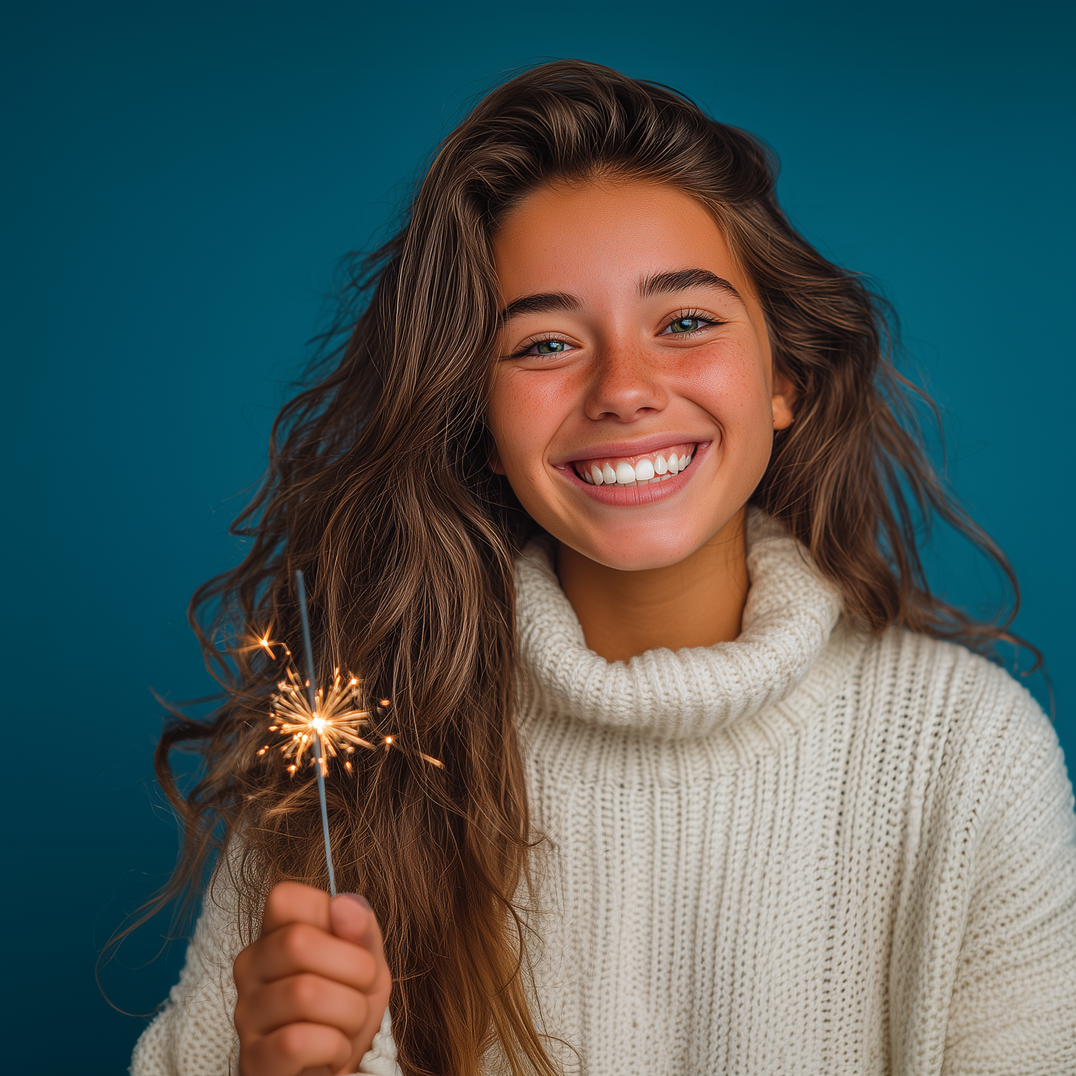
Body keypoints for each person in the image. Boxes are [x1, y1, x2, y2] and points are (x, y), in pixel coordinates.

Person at [129, 59, 1076, 1076]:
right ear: (479, 426)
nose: (623, 389)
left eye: (684, 322)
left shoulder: (967, 755)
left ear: (784, 378)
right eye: (542, 343)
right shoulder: (352, 755)